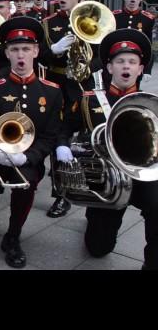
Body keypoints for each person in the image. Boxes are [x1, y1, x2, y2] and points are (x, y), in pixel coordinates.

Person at [57, 28, 157, 270]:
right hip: (106, 179)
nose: (127, 66)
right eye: (120, 61)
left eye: (132, 62)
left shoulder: (149, 103)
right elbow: (63, 128)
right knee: (98, 248)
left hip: (142, 173)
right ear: (109, 68)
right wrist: (62, 146)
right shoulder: (88, 99)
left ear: (140, 69)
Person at [0, 16, 63, 268]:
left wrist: (28, 158)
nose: (21, 55)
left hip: (27, 156)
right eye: (14, 49)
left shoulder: (52, 91)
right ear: (7, 53)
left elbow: (49, 136)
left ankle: (13, 237)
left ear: (36, 51)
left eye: (26, 49)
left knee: (26, 185)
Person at [40, 0, 95, 218]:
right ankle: (60, 194)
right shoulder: (49, 23)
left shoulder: (93, 19)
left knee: (86, 140)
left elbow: (105, 55)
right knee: (56, 138)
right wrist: (54, 50)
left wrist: (85, 67)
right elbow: (39, 55)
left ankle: (92, 184)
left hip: (84, 86)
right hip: (57, 86)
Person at [113, 0, 155, 80]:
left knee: (132, 94)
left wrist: (147, 70)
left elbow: (148, 46)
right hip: (115, 63)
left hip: (135, 64)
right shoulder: (113, 16)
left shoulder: (148, 18)